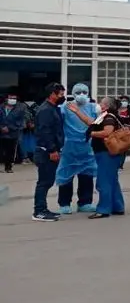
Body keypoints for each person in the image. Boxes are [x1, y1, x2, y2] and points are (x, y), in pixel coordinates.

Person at [55, 83, 98, 214]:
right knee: (66, 175)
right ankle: (64, 204)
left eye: (84, 92)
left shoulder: (92, 107)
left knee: (87, 175)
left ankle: (85, 203)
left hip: (87, 146)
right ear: (73, 94)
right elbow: (57, 122)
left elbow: (95, 123)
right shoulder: (66, 107)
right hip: (70, 146)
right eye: (78, 92)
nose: (82, 95)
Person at [32, 83, 66, 222]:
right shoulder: (46, 110)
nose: (63, 97)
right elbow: (45, 131)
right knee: (44, 182)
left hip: (51, 150)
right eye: (60, 95)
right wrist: (52, 149)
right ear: (52, 94)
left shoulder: (53, 108)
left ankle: (43, 208)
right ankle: (39, 211)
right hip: (46, 151)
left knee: (48, 181)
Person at [89, 97, 126, 219]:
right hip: (109, 154)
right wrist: (77, 112)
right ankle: (117, 206)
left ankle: (104, 209)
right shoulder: (104, 117)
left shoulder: (108, 118)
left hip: (106, 153)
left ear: (106, 106)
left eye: (101, 103)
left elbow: (107, 132)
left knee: (103, 181)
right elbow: (91, 123)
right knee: (112, 181)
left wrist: (92, 134)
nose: (99, 105)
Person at [0, 93, 26, 173]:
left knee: (11, 151)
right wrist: (1, 127)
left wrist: (10, 128)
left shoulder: (20, 108)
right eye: (11, 97)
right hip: (1, 132)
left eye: (14, 98)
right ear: (7, 98)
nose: (12, 99)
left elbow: (21, 121)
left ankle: (8, 167)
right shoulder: (1, 107)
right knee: (2, 150)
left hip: (12, 133)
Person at [116, 94, 130, 171]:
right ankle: (116, 163)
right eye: (122, 100)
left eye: (125, 101)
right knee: (117, 147)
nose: (124, 102)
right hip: (117, 130)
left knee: (124, 148)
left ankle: (120, 165)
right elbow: (116, 118)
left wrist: (122, 118)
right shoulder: (117, 109)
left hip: (126, 130)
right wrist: (123, 118)